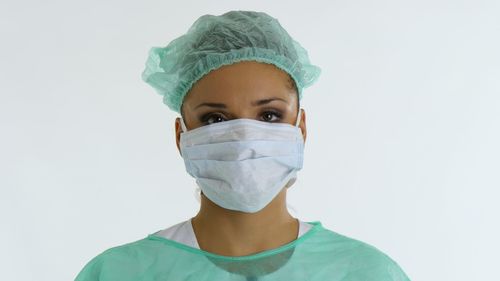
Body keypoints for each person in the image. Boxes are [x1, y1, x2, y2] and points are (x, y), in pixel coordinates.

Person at [74, 10, 411, 281]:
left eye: (269, 115)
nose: (244, 140)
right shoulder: (120, 273)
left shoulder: (366, 273)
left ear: (301, 128)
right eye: (215, 120)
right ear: (181, 136)